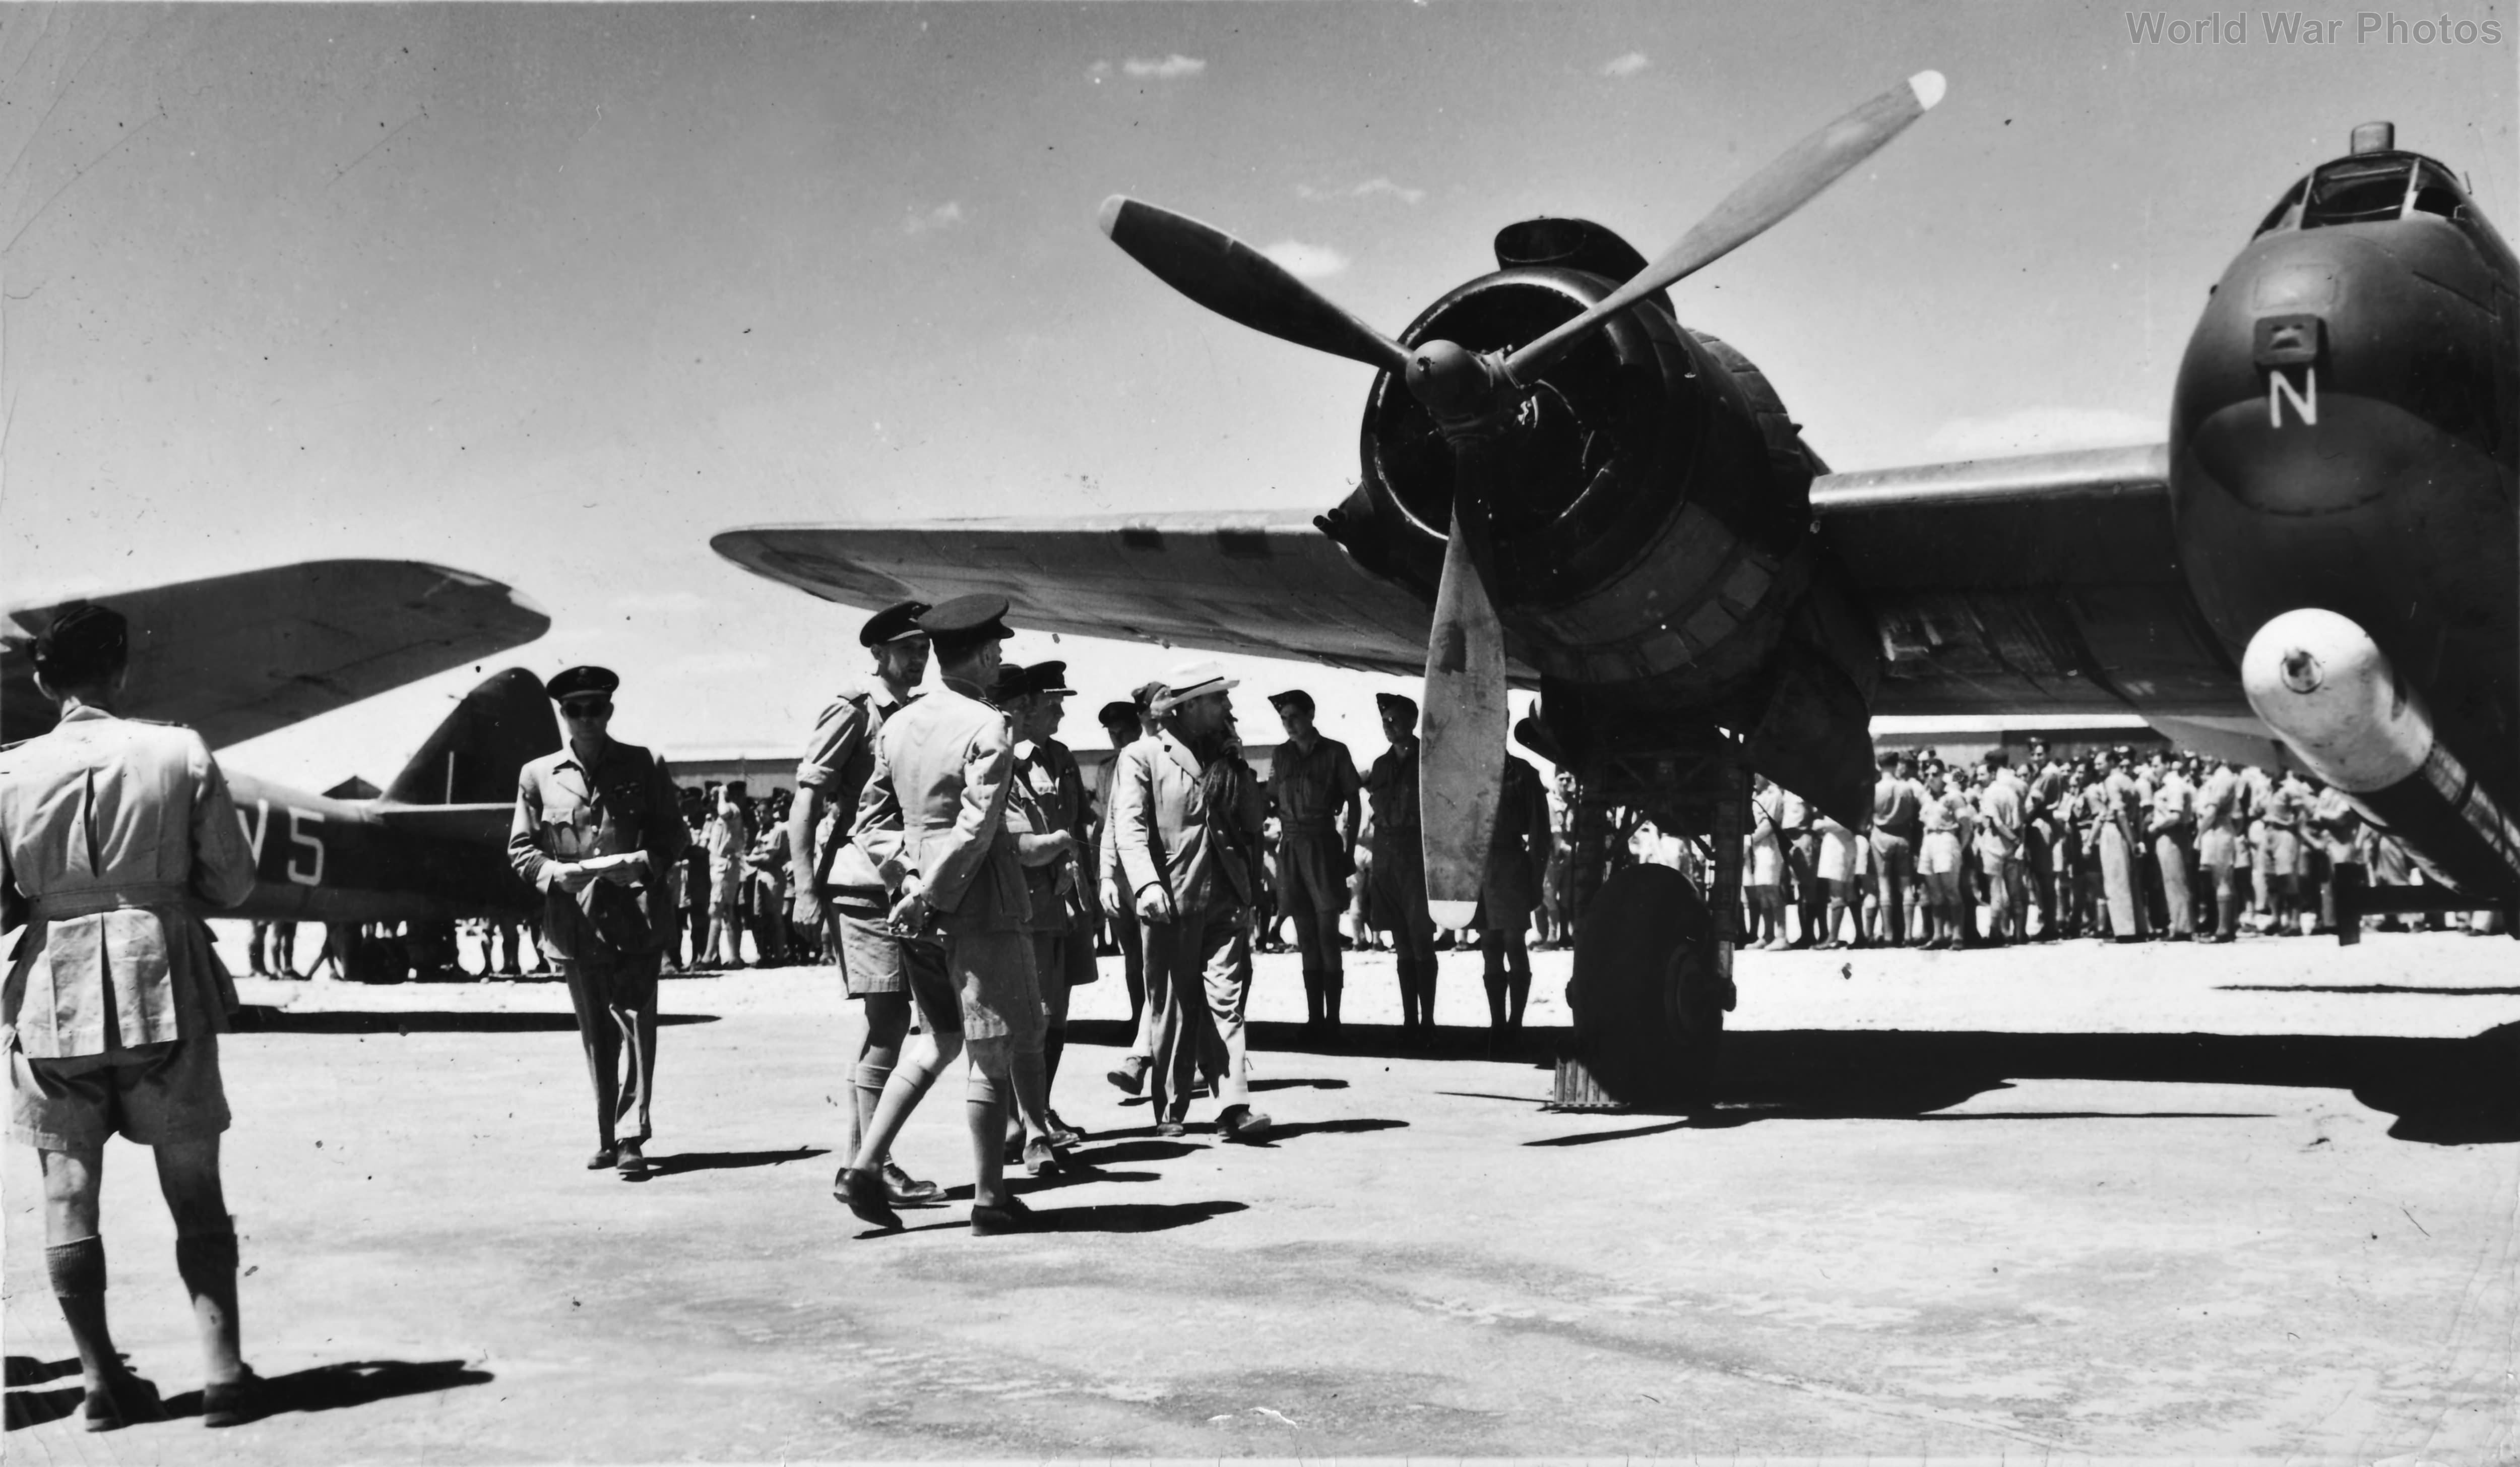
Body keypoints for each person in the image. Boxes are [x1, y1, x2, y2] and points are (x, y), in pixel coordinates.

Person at [1, 605, 263, 1430]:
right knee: (194, 1189)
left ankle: (98, 1383)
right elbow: (234, 882)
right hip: (164, 981)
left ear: (43, 681)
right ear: (121, 674)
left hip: (51, 995)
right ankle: (222, 1377)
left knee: (67, 1190)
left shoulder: (5, 770)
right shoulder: (177, 749)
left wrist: (54, 900)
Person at [838, 595, 1049, 1235]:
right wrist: (930, 890)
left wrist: (904, 878)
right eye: (998, 651)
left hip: (916, 909)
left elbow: (868, 822)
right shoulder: (989, 726)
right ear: (984, 653)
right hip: (975, 903)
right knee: (990, 1049)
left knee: (936, 1040)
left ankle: (865, 1166)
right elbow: (978, 827)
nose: (1001, 660)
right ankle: (990, 1199)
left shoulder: (899, 724)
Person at [786, 599, 946, 1209]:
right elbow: (807, 800)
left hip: (905, 884)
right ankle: (870, 1167)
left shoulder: (919, 712)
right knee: (887, 1023)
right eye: (908, 648)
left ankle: (863, 1165)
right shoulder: (854, 711)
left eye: (924, 648)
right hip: (860, 884)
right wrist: (803, 889)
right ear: (877, 653)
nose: (918, 658)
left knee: (893, 1024)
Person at [509, 666, 692, 1179]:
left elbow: (673, 834)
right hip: (575, 923)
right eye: (575, 710)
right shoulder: (537, 774)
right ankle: (607, 1136)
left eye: (596, 707)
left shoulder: (642, 762)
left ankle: (632, 1135)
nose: (586, 717)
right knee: (596, 1035)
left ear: (609, 710)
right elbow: (521, 850)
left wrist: (648, 864)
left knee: (635, 1024)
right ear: (563, 715)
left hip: (636, 915)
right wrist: (551, 873)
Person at [1109, 660, 1274, 1142]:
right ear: (1189, 707)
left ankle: (1233, 1107)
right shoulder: (1142, 756)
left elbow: (1249, 821)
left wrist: (1236, 765)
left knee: (1227, 1001)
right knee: (1171, 1006)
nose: (1228, 707)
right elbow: (1129, 828)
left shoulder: (1227, 757)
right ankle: (1170, 1108)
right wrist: (1144, 885)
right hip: (1171, 899)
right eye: (1218, 699)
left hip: (1226, 895)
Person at [1000, 660, 1090, 1162]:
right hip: (1029, 906)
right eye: (1052, 700)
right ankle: (1020, 1123)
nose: (1060, 708)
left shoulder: (1060, 757)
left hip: (1063, 903)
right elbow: (1022, 844)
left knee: (1056, 1016)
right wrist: (1059, 850)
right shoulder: (1008, 761)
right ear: (1027, 707)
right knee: (1029, 1017)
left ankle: (1043, 1110)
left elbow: (1076, 822)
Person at [1265, 689, 1362, 1041]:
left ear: (1311, 715)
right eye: (1283, 718)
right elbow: (1272, 798)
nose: (1288, 724)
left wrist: (1349, 851)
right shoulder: (1280, 754)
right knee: (1305, 937)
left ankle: (1333, 1019)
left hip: (1323, 845)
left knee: (1327, 936)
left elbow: (1354, 799)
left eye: (1294, 716)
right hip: (1291, 847)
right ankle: (1314, 1020)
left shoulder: (1335, 752)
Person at [1364, 692, 1440, 1033]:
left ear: (1412, 721)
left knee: (1421, 938)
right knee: (1401, 941)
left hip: (1417, 854)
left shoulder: (1431, 760)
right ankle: (1410, 1020)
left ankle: (1428, 1020)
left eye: (1395, 720)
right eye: (1385, 721)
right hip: (1387, 856)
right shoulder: (1380, 766)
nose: (1389, 727)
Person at [1476, 751, 1551, 1043]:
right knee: (1489, 946)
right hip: (1477, 868)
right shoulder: (1468, 768)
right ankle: (1497, 1027)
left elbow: (1540, 832)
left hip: (1510, 864)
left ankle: (1515, 1025)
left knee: (1512, 943)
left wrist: (1535, 879)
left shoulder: (1522, 773)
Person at [1869, 752, 1924, 947]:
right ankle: (1908, 935)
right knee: (1907, 886)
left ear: (1878, 765)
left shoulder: (1874, 789)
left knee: (1884, 886)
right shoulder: (1907, 788)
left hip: (1881, 837)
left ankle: (1889, 935)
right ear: (1896, 764)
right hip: (1903, 836)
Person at [703, 782, 752, 967]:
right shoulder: (724, 814)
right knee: (727, 911)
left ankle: (709, 956)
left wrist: (723, 794)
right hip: (721, 865)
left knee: (717, 910)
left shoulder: (731, 809)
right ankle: (733, 956)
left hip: (724, 866)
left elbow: (724, 811)